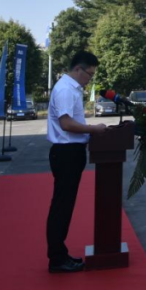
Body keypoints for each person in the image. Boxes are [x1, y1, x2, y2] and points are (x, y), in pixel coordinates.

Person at [46, 51, 108, 274]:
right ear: (78, 69)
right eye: (89, 74)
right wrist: (93, 129)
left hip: (71, 152)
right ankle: (57, 258)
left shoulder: (71, 88)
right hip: (66, 153)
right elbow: (66, 124)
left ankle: (60, 254)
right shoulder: (65, 89)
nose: (89, 79)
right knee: (62, 206)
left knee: (64, 205)